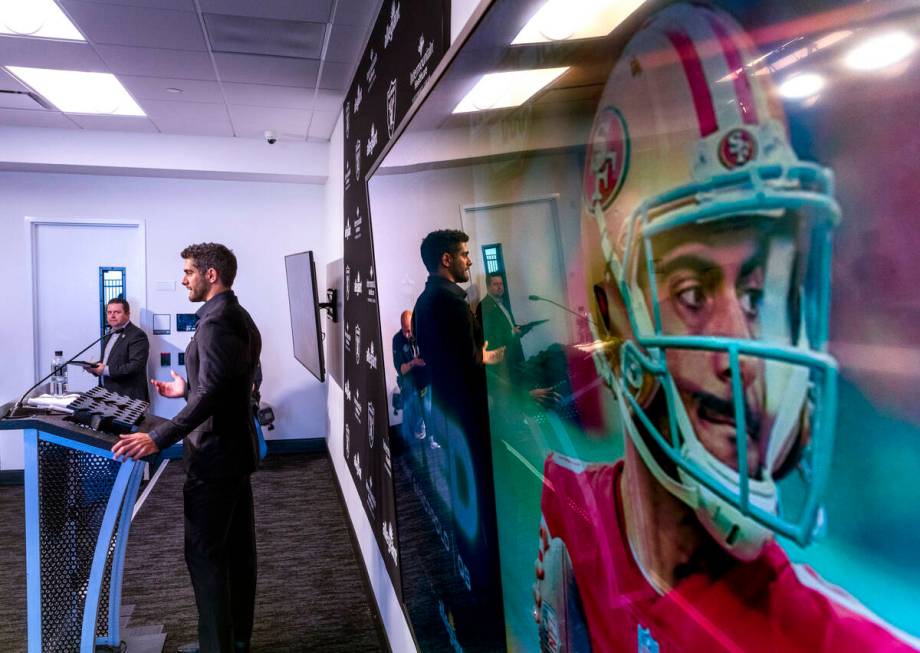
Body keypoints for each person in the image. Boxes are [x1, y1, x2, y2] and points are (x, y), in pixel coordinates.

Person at [533, 4, 919, 652]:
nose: (744, 351)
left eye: (758, 291)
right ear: (610, 316)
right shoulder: (568, 502)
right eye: (691, 291)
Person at [112, 243, 262, 653]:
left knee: (205, 556)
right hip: (233, 452)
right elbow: (229, 387)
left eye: (188, 272)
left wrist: (157, 436)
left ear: (210, 275)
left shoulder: (216, 324)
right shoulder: (237, 315)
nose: (183, 279)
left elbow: (214, 392)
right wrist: (186, 390)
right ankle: (233, 640)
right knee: (235, 553)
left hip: (214, 458)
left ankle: (217, 646)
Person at [87, 297, 150, 401]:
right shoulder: (109, 334)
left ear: (127, 314)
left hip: (129, 398)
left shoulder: (137, 335)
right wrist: (93, 367)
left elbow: (135, 367)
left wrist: (104, 370)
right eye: (109, 312)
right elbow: (109, 361)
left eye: (117, 312)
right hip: (108, 395)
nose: (112, 316)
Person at [391, 309, 431, 445]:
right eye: (406, 331)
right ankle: (409, 437)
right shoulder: (397, 340)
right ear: (402, 327)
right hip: (408, 379)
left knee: (428, 405)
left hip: (424, 376)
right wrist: (414, 362)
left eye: (410, 330)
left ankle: (431, 434)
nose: (409, 335)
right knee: (411, 402)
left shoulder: (419, 332)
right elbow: (401, 369)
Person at [475, 273, 525, 377]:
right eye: (496, 284)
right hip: (503, 361)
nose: (500, 287)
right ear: (488, 286)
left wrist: (518, 329)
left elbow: (507, 325)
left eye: (501, 284)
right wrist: (511, 332)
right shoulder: (484, 306)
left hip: (515, 354)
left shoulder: (504, 302)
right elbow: (488, 336)